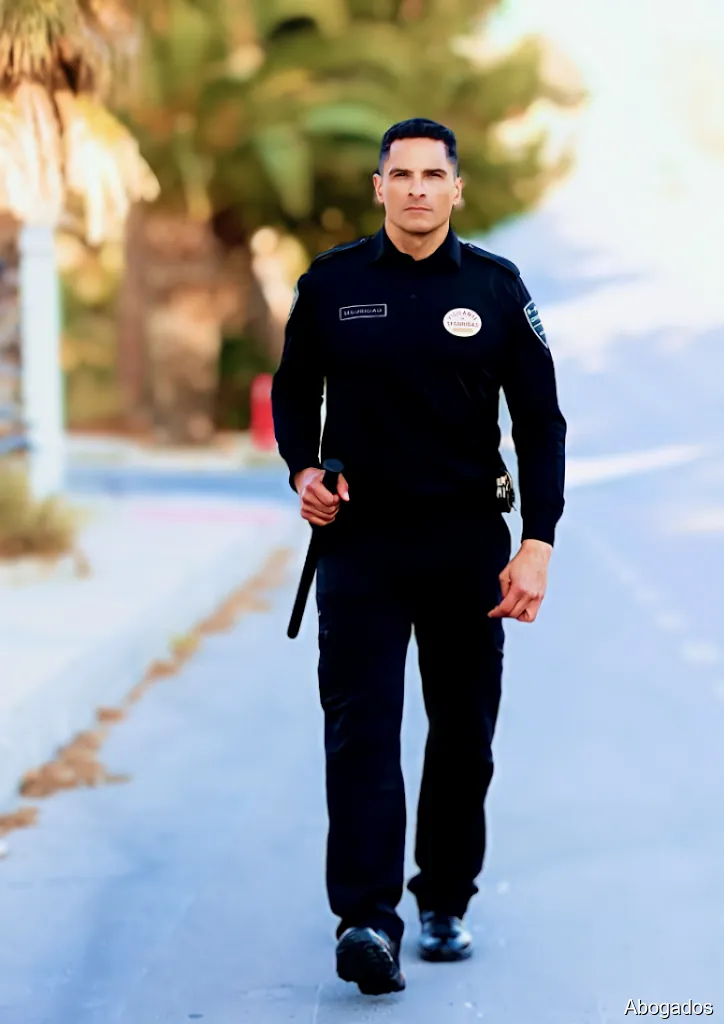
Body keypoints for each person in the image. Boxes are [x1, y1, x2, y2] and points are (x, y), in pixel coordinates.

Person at [271, 117, 566, 996]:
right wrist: (304, 470)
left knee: (463, 736)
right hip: (359, 546)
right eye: (401, 175)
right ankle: (366, 920)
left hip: (467, 546)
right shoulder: (332, 285)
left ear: (456, 188)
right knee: (361, 734)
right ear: (379, 187)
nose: (417, 190)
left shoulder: (496, 288)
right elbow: (294, 389)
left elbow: (540, 424)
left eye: (433, 175)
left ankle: (443, 898)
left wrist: (538, 542)